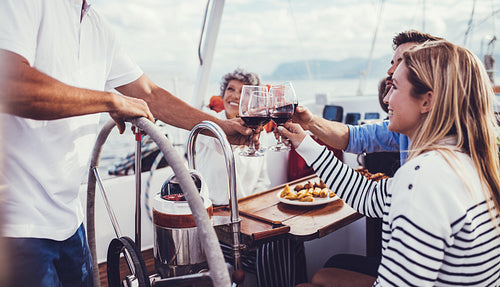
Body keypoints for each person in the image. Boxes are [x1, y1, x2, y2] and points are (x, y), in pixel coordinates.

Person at [0, 1, 255, 286]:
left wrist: (221, 128)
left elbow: (149, 93)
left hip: (68, 219)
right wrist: (110, 100)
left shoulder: (97, 26)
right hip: (17, 223)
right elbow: (10, 84)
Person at [282, 40, 500, 286]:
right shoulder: (467, 160)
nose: (386, 99)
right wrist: (304, 143)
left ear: (427, 102)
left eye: (394, 87)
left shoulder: (424, 178)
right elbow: (368, 196)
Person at [292, 30, 442, 165]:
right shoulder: (404, 130)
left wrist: (305, 144)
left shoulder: (442, 156)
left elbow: (368, 194)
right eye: (393, 63)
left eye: (403, 61)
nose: (390, 71)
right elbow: (354, 137)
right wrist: (310, 121)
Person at [196, 68, 271, 205]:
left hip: (247, 211)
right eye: (231, 89)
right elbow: (221, 147)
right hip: (212, 211)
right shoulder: (209, 125)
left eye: (243, 92)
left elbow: (262, 180)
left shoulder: (261, 133)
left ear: (255, 100)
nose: (235, 96)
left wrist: (254, 209)